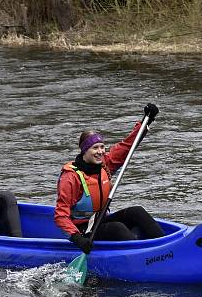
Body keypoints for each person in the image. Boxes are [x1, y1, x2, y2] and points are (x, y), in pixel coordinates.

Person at [54, 104, 165, 254]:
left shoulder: (104, 164)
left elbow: (127, 146)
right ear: (84, 151)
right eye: (95, 148)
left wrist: (147, 120)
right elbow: (61, 216)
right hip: (82, 231)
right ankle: (143, 256)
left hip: (99, 221)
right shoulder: (71, 177)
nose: (100, 151)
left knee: (137, 212)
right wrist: (77, 239)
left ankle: (165, 248)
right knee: (117, 228)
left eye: (102, 146)